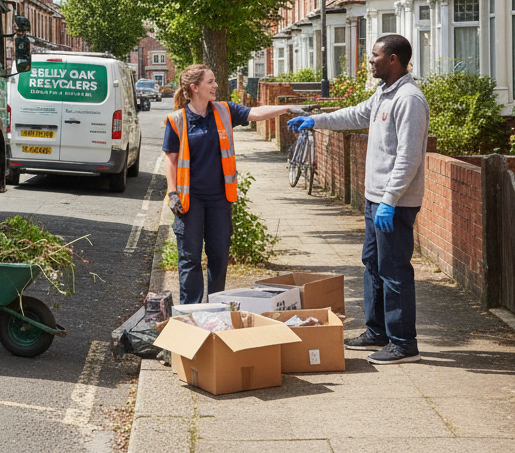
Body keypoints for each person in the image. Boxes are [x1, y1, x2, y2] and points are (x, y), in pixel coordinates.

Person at [288, 34, 429, 365]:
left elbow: (408, 158)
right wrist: (316, 120)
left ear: (393, 59)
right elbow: (354, 115)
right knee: (373, 265)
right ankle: (377, 331)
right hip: (375, 199)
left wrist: (391, 200)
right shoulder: (384, 94)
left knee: (394, 271)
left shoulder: (409, 99)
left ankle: (404, 343)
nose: (370, 61)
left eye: (375, 56)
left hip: (394, 203)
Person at [163, 65, 294, 305]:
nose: (215, 86)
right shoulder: (177, 120)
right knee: (190, 259)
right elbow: (170, 159)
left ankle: (215, 307)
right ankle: (191, 311)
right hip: (189, 201)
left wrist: (286, 108)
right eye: (210, 82)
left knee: (219, 256)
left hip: (219, 200)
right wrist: (172, 193)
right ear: (195, 88)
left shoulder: (224, 111)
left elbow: (255, 113)